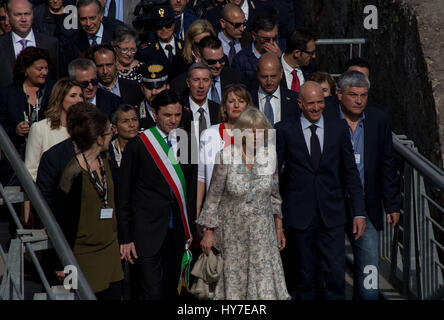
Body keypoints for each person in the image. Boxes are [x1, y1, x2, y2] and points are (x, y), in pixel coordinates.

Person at [275, 81, 366, 300]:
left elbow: (350, 173)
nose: (316, 108)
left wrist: (359, 212)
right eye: (310, 103)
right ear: (300, 103)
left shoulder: (338, 128)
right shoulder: (284, 130)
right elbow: (274, 176)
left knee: (335, 276)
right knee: (304, 278)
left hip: (332, 216)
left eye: (320, 102)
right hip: (299, 216)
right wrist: (276, 219)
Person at [197, 106, 290, 300]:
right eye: (250, 131)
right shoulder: (225, 156)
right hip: (232, 238)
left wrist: (279, 227)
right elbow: (213, 198)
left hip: (263, 239)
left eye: (260, 131)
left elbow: (274, 195)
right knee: (235, 293)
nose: (256, 136)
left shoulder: (269, 154)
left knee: (265, 292)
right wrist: (208, 232)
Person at [323, 71, 400, 300]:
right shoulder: (325, 117)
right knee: (332, 271)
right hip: (333, 204)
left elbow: (387, 162)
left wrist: (393, 204)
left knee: (369, 274)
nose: (359, 101)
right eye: (353, 95)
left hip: (367, 205)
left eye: (364, 95)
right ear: (339, 94)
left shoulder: (378, 119)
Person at [36, 102, 124, 299]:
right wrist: (62, 262)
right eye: (109, 133)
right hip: (81, 255)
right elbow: (61, 219)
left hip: (109, 251)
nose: (112, 135)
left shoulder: (107, 161)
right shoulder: (71, 173)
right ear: (98, 139)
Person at [118, 89, 197, 300]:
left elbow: (191, 187)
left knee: (175, 291)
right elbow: (124, 194)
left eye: (177, 115)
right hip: (146, 233)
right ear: (154, 114)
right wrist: (125, 237)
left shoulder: (188, 141)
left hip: (178, 232)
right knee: (152, 293)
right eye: (167, 115)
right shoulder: (138, 145)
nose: (173, 120)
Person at [196, 83, 251, 212]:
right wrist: (198, 211)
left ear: (247, 106)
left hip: (247, 210)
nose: (236, 105)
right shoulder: (209, 134)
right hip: (216, 208)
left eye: (241, 101)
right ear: (225, 107)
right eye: (231, 101)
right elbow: (201, 178)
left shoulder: (256, 135)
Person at [0, 47, 54, 160]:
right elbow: (2, 127)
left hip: (46, 153)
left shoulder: (53, 91)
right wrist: (15, 130)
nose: (44, 72)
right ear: (26, 69)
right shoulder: (8, 94)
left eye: (46, 68)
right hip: (17, 156)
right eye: (40, 69)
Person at [25, 78, 84, 181]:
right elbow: (31, 171)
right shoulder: (40, 128)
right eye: (73, 96)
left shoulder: (84, 128)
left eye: (81, 96)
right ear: (59, 99)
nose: (79, 100)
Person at [0, 0, 59, 87]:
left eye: (27, 14)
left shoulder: (50, 44)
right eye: (18, 14)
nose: (23, 19)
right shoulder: (1, 44)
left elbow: (56, 79)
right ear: (8, 16)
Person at [172, 35, 246, 102]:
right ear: (199, 58)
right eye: (212, 61)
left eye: (221, 60)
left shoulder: (236, 78)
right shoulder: (181, 84)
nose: (218, 65)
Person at [232, 14, 285, 86]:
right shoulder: (240, 59)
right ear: (254, 36)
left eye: (275, 38)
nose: (272, 43)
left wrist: (280, 59)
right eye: (266, 39)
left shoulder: (283, 49)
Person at [137, 5, 187, 80]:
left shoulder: (185, 47)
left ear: (173, 25)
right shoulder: (146, 51)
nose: (164, 29)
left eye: (168, 25)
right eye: (159, 26)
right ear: (154, 27)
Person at [251, 52, 300, 126]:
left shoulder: (294, 99)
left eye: (273, 76)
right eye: (264, 77)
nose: (269, 82)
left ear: (281, 73)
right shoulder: (248, 99)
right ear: (258, 74)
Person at [180, 63, 220, 140]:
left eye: (205, 80)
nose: (201, 86)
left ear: (211, 83)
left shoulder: (218, 110)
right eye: (196, 80)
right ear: (188, 83)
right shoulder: (179, 110)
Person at [137, 62, 172, 131]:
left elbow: (192, 141)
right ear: (142, 89)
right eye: (149, 88)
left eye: (158, 87)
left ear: (167, 87)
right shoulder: (134, 115)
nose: (154, 92)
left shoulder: (182, 114)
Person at [281, 28, 316, 93]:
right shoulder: (274, 69)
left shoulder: (310, 69)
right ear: (296, 53)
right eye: (311, 53)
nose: (314, 56)